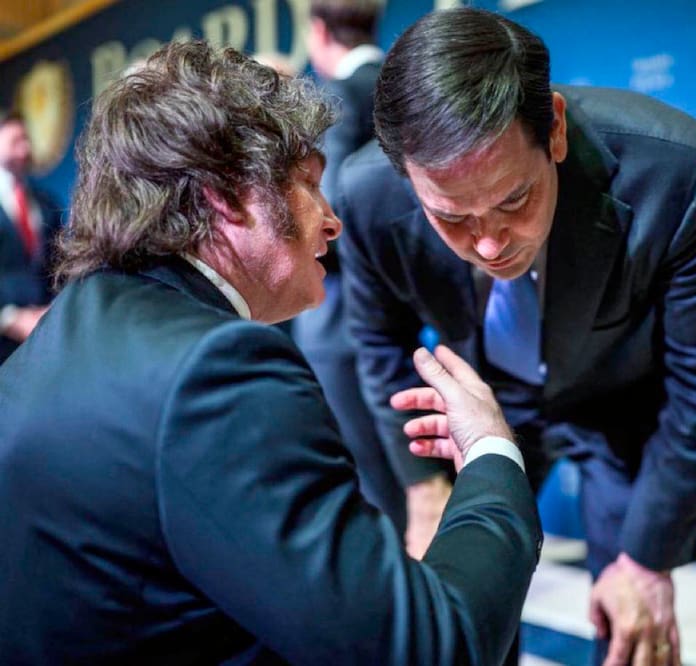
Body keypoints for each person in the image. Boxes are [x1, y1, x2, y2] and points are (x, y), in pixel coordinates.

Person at [0, 40, 543, 664]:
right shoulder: (218, 373)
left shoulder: (61, 336)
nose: (331, 219)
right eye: (308, 183)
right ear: (223, 197)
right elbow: (426, 648)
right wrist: (490, 453)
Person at [337, 8, 696, 666]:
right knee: (461, 611)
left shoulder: (679, 175)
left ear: (554, 128)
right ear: (407, 179)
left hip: (618, 405)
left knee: (634, 631)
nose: (488, 242)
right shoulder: (363, 196)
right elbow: (377, 345)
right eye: (451, 217)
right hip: (483, 403)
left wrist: (647, 563)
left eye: (514, 199)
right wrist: (423, 489)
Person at [292, 0, 406, 529]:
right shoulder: (404, 84)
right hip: (413, 309)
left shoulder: (339, 95)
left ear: (317, 32)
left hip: (341, 321)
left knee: (377, 485)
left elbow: (325, 219)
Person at [0, 110, 61, 363]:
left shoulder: (44, 201)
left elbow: (58, 263)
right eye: (16, 141)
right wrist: (8, 318)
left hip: (42, 335)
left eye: (27, 140)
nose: (24, 149)